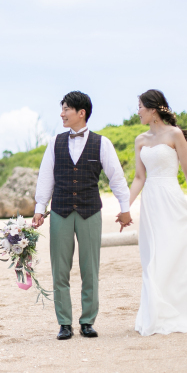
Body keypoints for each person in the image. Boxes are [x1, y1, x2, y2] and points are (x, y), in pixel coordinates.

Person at [32, 91, 131, 340]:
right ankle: (64, 323)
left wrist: (125, 207)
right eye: (62, 108)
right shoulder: (55, 142)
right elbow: (46, 178)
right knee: (60, 270)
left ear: (81, 113)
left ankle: (87, 321)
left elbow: (116, 178)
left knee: (90, 269)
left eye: (66, 109)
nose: (62, 114)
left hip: (89, 212)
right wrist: (39, 209)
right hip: (61, 211)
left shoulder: (102, 143)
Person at [129, 89, 187, 336]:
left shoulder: (175, 134)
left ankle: (180, 309)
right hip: (150, 202)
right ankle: (156, 313)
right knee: (153, 255)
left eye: (139, 106)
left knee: (174, 251)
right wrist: (125, 206)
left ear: (153, 109)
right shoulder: (140, 140)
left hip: (171, 197)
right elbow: (139, 178)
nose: (137, 111)